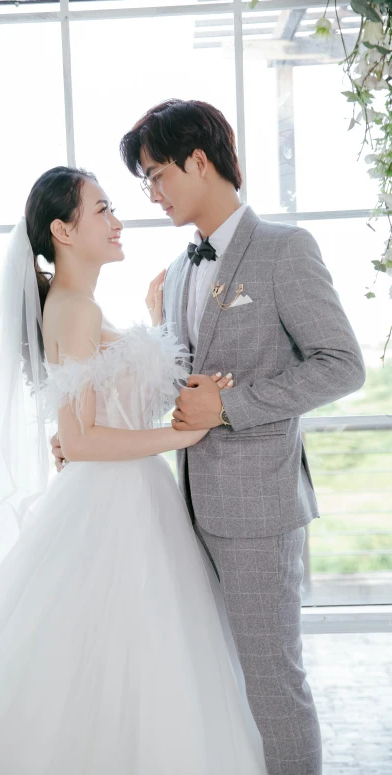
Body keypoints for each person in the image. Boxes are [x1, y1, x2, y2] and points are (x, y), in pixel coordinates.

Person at [0, 166, 268, 774]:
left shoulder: (82, 305)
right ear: (62, 228)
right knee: (120, 659)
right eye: (103, 209)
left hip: (131, 495)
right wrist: (183, 433)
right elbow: (79, 441)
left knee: (134, 660)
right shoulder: (74, 311)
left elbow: (99, 418)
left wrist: (156, 326)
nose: (119, 221)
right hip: (113, 503)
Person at [115, 99, 365, 775]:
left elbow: (343, 364)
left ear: (200, 160)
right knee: (216, 680)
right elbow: (181, 388)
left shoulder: (286, 249)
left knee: (271, 683)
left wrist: (232, 405)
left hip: (259, 510)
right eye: (144, 180)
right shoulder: (175, 272)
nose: (152, 191)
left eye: (158, 173)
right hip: (188, 507)